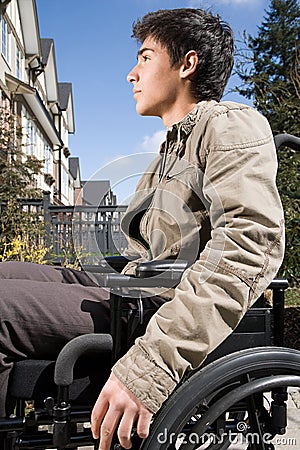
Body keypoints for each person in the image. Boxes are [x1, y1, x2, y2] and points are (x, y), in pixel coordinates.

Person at [0, 7, 284, 450]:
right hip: (135, 288)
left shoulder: (228, 125)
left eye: (146, 57)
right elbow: (149, 255)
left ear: (187, 64)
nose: (131, 73)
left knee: (2, 304)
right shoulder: (166, 154)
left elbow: (249, 244)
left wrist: (151, 365)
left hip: (157, 310)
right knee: (6, 271)